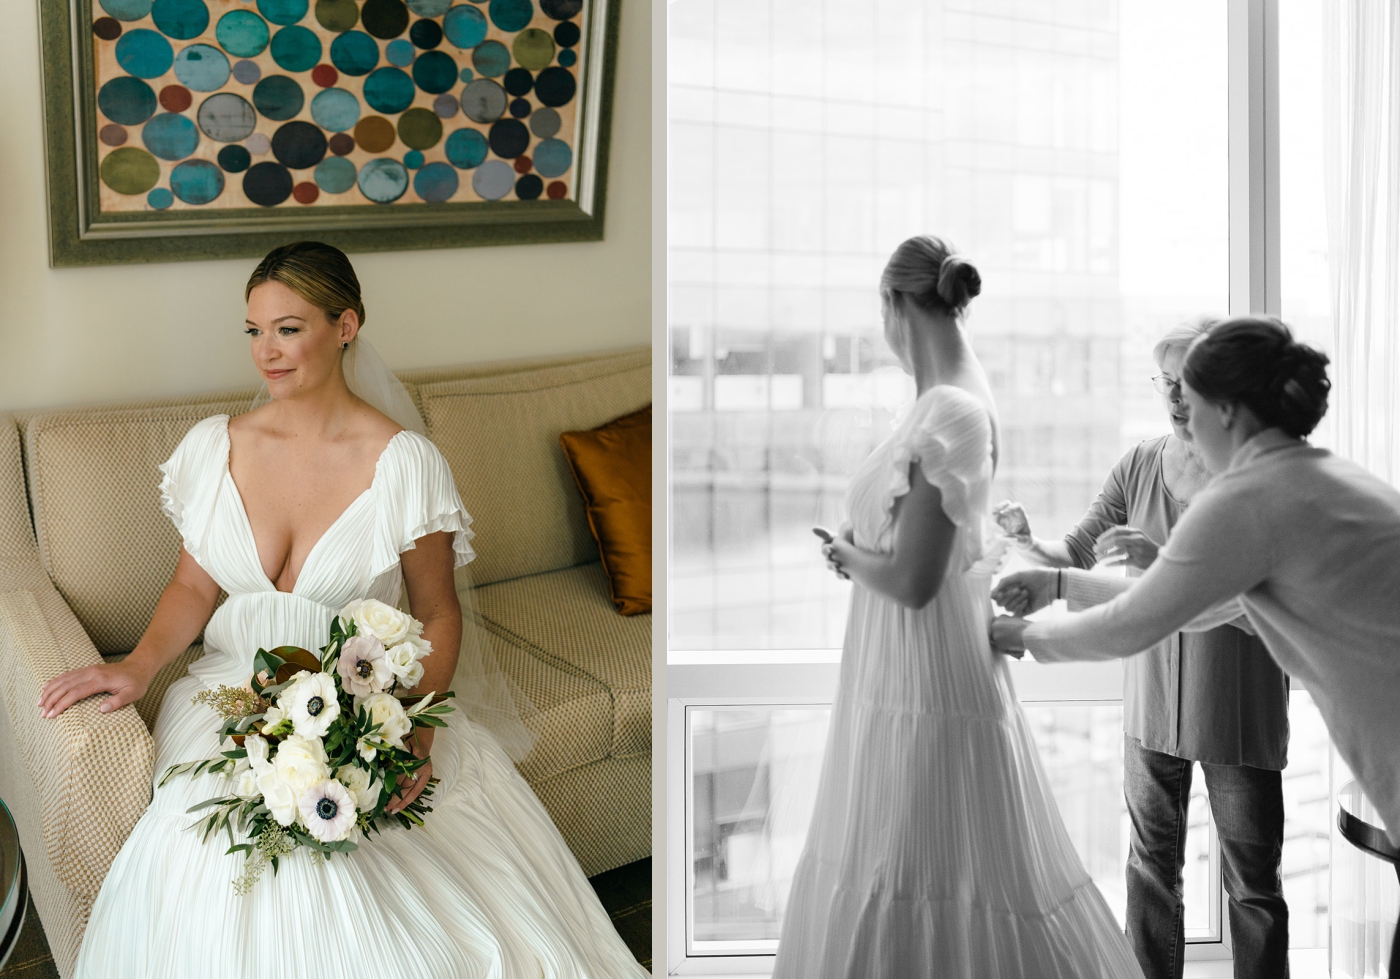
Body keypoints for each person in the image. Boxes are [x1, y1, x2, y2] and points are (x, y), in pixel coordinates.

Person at [37, 242, 647, 979]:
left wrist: (413, 731)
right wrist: (136, 666)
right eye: (254, 330)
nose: (267, 351)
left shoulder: (405, 463)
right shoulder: (212, 447)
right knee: (220, 849)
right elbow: (193, 589)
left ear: (346, 324)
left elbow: (437, 612)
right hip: (231, 693)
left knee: (404, 886)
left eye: (289, 328)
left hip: (365, 697)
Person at [771, 235, 1144, 979]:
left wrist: (847, 556)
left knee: (922, 844)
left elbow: (913, 580)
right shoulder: (950, 398)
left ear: (896, 304)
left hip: (923, 666)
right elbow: (924, 546)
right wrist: (865, 545)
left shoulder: (951, 409)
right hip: (906, 658)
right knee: (915, 843)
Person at [990, 316, 1400, 979]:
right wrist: (1059, 579)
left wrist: (1018, 633)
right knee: (1154, 862)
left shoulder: (1248, 497)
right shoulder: (1312, 476)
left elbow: (1140, 619)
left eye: (1192, 395)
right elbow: (1202, 603)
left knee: (1251, 875)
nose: (1180, 411)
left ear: (1226, 410)